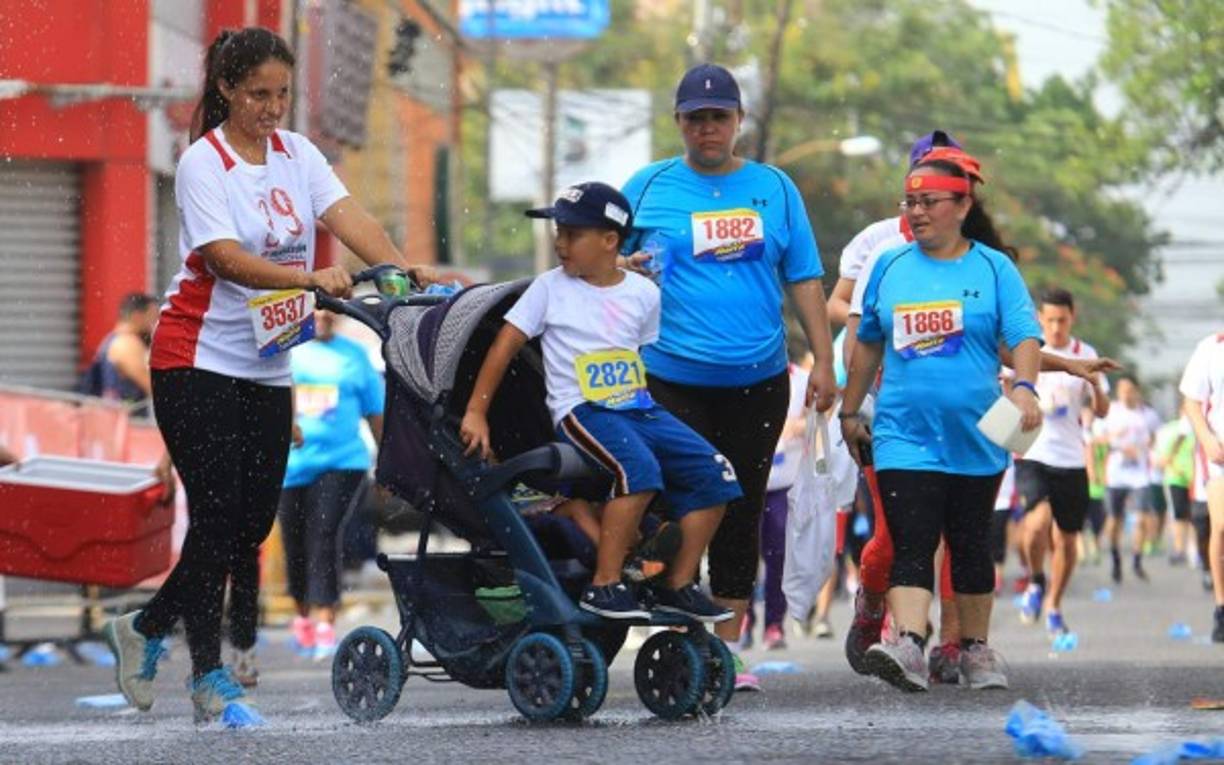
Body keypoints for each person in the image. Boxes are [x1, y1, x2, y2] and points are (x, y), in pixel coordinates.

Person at [102, 26, 430, 724]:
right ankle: (209, 674)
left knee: (249, 523)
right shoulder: (203, 163)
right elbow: (222, 257)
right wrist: (305, 276)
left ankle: (143, 627)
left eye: (282, 94)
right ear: (226, 89)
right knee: (217, 512)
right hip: (195, 358)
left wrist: (404, 269)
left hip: (266, 362)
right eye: (258, 94)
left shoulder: (298, 155)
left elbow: (349, 216)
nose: (272, 107)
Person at [619, 63, 838, 691]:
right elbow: (594, 256)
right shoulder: (648, 185)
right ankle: (677, 620)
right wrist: (625, 263)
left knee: (741, 506)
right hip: (670, 378)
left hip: (759, 379)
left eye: (719, 117)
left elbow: (803, 278)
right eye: (695, 117)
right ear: (678, 123)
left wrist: (823, 361)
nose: (707, 128)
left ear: (738, 121)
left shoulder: (774, 188)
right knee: (688, 495)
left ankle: (726, 650)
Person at [460, 181, 741, 625]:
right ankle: (605, 585)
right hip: (581, 409)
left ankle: (677, 586)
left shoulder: (645, 293)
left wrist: (649, 417)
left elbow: (637, 354)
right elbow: (504, 346)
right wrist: (476, 411)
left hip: (638, 407)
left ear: (610, 241)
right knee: (639, 470)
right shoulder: (548, 289)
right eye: (559, 232)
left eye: (572, 234)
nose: (560, 243)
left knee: (718, 474)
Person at [840, 148, 1042, 692]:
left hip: (976, 435)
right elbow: (867, 345)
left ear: (961, 205)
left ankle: (975, 650)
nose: (917, 212)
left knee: (971, 541)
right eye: (910, 202)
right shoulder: (889, 265)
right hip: (903, 433)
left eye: (929, 201)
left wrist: (1025, 388)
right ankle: (907, 642)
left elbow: (1024, 337)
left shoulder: (995, 268)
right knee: (912, 538)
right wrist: (850, 406)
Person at [275, 308, 385, 668]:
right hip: (291, 464)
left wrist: (385, 463)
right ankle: (303, 613)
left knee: (324, 532)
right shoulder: (284, 351)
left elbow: (375, 412)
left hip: (343, 461)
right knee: (294, 538)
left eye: (327, 310)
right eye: (314, 309)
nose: (321, 316)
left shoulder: (353, 356)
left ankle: (325, 618)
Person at [1015, 289, 1110, 635]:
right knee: (1037, 524)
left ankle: (1054, 604)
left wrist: (1095, 384)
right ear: (1040, 318)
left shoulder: (1085, 354)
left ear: (1072, 318)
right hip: (1033, 452)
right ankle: (1036, 580)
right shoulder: (1027, 350)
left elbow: (1102, 411)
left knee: (1068, 540)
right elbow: (1006, 390)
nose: (1055, 327)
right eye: (1050, 320)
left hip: (1071, 458)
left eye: (1062, 320)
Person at [1179, 330, 1224, 641]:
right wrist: (1207, 439)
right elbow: (1192, 402)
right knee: (1221, 526)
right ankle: (1221, 607)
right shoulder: (1210, 348)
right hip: (1219, 452)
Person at [1102, 376, 1161, 584]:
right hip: (1116, 473)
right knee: (1113, 520)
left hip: (1139, 473)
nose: (1125, 394)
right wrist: (1116, 442)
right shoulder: (1111, 411)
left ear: (1137, 390)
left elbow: (1155, 437)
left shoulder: (1148, 414)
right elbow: (1099, 439)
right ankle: (1116, 557)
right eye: (1122, 390)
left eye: (1129, 390)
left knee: (1143, 518)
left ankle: (1136, 559)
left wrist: (1144, 448)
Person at [79, 293, 161, 416]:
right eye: (153, 317)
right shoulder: (128, 344)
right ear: (137, 317)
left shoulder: (111, 339)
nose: (157, 323)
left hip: (112, 423)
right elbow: (155, 388)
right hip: (127, 425)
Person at [1154, 414, 1197, 566]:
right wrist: (1175, 468)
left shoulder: (1200, 429)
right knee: (1179, 516)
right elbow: (1161, 459)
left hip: (1195, 480)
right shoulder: (1170, 430)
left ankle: (1194, 550)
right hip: (1175, 479)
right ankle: (1180, 550)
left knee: (1195, 516)